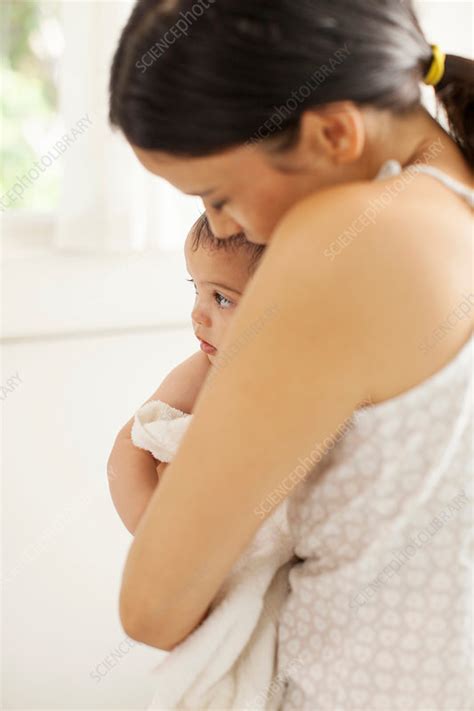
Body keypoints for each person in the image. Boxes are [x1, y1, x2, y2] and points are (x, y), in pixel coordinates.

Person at [108, 1, 473, 709]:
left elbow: (152, 607)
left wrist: (132, 462)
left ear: (334, 131)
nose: (221, 227)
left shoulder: (351, 241)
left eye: (218, 196)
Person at [108, 212, 265, 534]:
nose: (197, 314)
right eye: (196, 289)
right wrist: (151, 534)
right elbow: (131, 443)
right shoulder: (208, 368)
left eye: (222, 298)